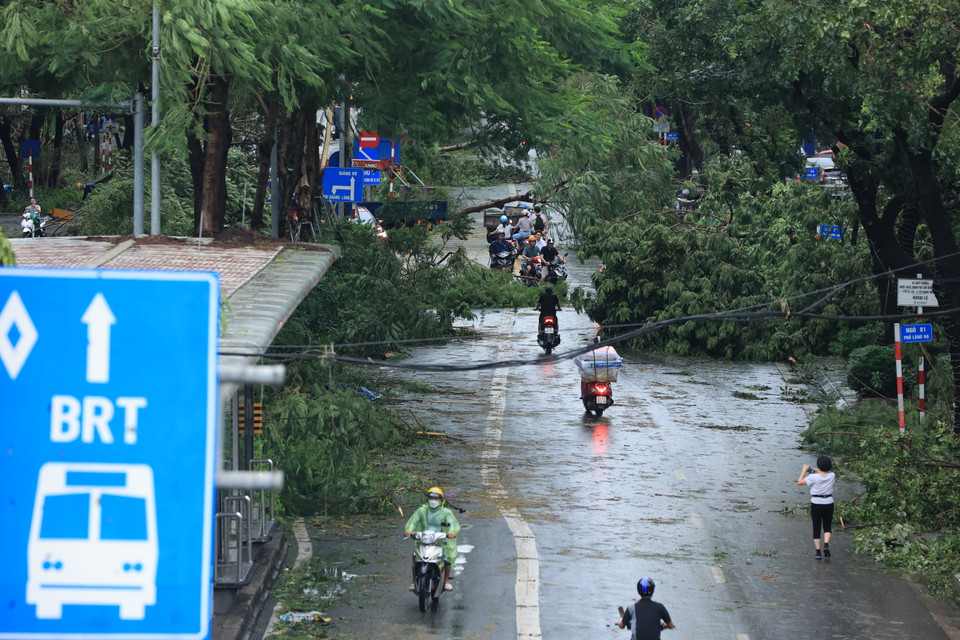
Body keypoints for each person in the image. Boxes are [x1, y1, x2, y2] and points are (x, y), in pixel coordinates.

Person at [405, 487, 460, 591]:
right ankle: (413, 581)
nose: (433, 501)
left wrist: (451, 532)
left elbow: (453, 524)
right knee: (416, 558)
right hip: (424, 540)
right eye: (431, 498)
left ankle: (446, 581)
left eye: (436, 498)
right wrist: (409, 531)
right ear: (427, 499)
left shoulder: (446, 512)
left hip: (440, 541)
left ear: (441, 500)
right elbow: (413, 522)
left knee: (447, 558)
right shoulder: (421, 511)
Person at [798, 455, 835, 558]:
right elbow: (822, 473)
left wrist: (804, 471)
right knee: (827, 525)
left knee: (816, 527)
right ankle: (826, 545)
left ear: (818, 466)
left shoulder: (812, 477)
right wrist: (814, 470)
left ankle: (818, 552)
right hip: (828, 502)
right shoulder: (832, 475)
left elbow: (800, 482)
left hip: (816, 503)